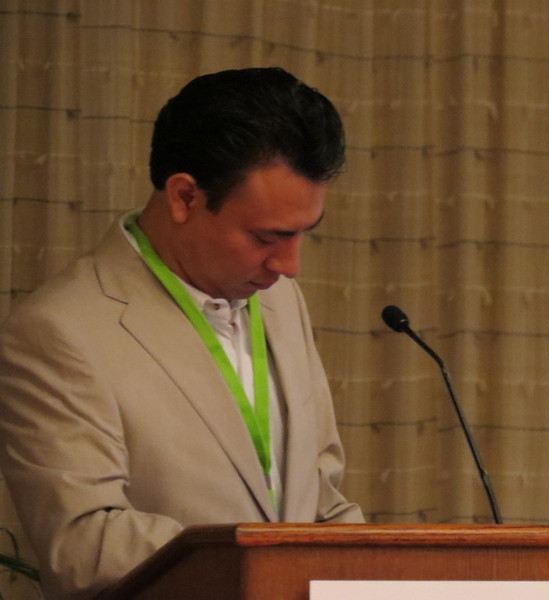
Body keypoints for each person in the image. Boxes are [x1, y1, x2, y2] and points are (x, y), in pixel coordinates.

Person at [0, 67, 364, 600]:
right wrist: (271, 567)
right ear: (185, 196)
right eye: (267, 236)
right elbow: (83, 545)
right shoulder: (58, 331)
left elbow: (321, 500)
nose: (290, 266)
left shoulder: (281, 300)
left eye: (304, 233)